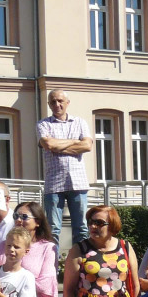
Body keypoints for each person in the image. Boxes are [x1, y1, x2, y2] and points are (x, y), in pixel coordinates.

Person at [37, 89, 92, 247]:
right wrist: (75, 142)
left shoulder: (80, 122)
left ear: (67, 103)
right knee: (52, 229)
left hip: (78, 182)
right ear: (49, 104)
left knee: (81, 228)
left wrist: (58, 145)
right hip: (54, 184)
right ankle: (51, 268)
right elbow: (48, 144)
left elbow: (87, 145)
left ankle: (80, 267)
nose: (57, 104)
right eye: (53, 101)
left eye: (60, 101)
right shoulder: (43, 124)